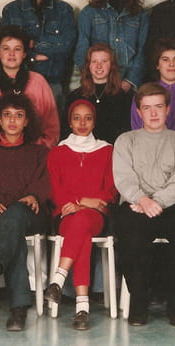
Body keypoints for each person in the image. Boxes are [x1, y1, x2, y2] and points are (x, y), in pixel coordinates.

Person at [112, 83, 175, 327]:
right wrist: (142, 200)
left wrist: (157, 202)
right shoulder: (126, 141)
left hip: (172, 205)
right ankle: (139, 304)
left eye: (159, 107)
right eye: (147, 108)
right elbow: (123, 177)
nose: (153, 113)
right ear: (138, 112)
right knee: (131, 238)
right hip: (135, 205)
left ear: (168, 109)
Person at [0, 94, 50, 332]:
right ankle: (18, 310)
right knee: (13, 231)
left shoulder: (38, 151)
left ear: (26, 121)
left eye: (19, 116)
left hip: (29, 214)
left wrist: (35, 195)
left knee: (16, 214)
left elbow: (45, 181)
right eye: (7, 115)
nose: (12, 121)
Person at [45, 99, 117, 331]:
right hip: (66, 214)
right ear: (70, 122)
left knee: (83, 221)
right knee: (81, 229)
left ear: (94, 121)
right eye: (77, 118)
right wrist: (79, 202)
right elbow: (55, 190)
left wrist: (84, 203)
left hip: (97, 214)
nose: (82, 123)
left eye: (88, 118)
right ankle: (82, 308)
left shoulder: (107, 151)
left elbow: (111, 189)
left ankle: (58, 279)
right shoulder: (58, 152)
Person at [1, 0, 76, 110]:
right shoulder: (11, 10)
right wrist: (35, 56)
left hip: (53, 84)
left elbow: (66, 46)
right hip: (19, 84)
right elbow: (5, 49)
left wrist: (32, 45)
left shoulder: (64, 10)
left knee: (53, 125)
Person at [0, 25, 60, 149]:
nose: (12, 54)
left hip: (33, 152)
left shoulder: (39, 82)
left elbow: (52, 128)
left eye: (17, 49)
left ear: (24, 53)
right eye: (6, 49)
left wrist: (38, 149)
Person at [74, 0, 149, 90]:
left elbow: (143, 50)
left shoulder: (140, 14)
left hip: (129, 83)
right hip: (97, 81)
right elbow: (82, 48)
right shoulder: (89, 12)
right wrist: (91, 79)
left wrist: (130, 81)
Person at [65, 43, 132, 144]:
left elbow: (126, 134)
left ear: (111, 65)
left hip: (114, 150)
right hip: (81, 150)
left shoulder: (124, 97)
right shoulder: (74, 97)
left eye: (104, 61)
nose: (99, 66)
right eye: (94, 61)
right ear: (88, 65)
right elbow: (66, 133)